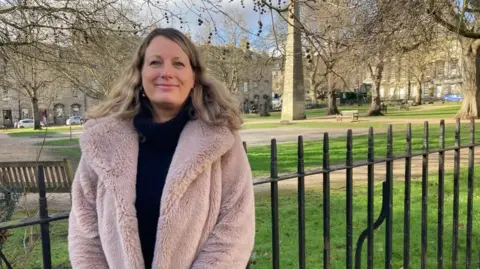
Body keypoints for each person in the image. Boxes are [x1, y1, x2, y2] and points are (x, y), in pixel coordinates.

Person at [68, 27, 255, 269]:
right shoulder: (103, 141)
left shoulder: (221, 140)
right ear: (140, 74)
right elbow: (84, 229)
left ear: (194, 77)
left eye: (178, 64)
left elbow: (234, 230)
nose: (166, 72)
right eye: (155, 62)